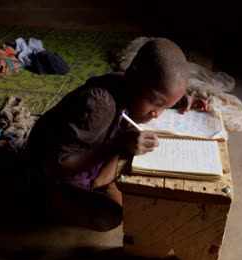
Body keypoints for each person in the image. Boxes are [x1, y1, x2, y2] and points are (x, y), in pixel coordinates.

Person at [23, 38, 190, 231]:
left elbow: (159, 88)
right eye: (155, 102)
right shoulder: (99, 105)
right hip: (55, 174)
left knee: (132, 202)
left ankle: (102, 184)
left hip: (93, 158)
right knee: (107, 217)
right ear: (133, 76)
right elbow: (55, 166)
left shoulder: (130, 83)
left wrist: (176, 100)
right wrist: (118, 145)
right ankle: (57, 199)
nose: (157, 113)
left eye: (165, 106)